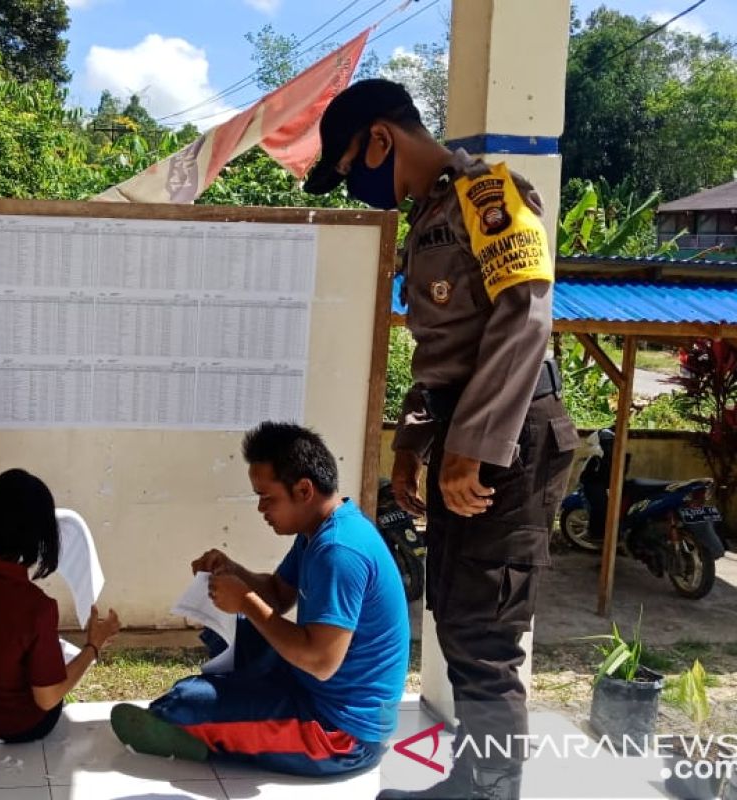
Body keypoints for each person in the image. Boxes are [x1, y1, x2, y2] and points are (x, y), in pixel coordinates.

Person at [300, 79, 579, 799]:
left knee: (486, 635)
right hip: (468, 428)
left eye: (354, 167)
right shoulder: (429, 217)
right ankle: (473, 780)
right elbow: (441, 352)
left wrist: (473, 449)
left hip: (512, 434)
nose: (360, 187)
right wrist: (411, 444)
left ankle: (492, 791)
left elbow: (524, 320)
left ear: (381, 140)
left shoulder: (492, 196)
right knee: (456, 618)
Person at [110, 421, 410, 778]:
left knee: (183, 703)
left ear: (303, 490)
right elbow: (280, 596)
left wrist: (247, 600)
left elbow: (321, 661)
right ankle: (237, 703)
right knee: (231, 631)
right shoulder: (322, 529)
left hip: (341, 735)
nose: (260, 509)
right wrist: (234, 572)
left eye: (267, 497)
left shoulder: (339, 551)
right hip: (312, 689)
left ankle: (199, 734)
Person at [0, 468, 120, 742]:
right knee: (55, 696)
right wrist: (93, 647)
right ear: (39, 539)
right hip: (18, 726)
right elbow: (47, 698)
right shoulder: (36, 608)